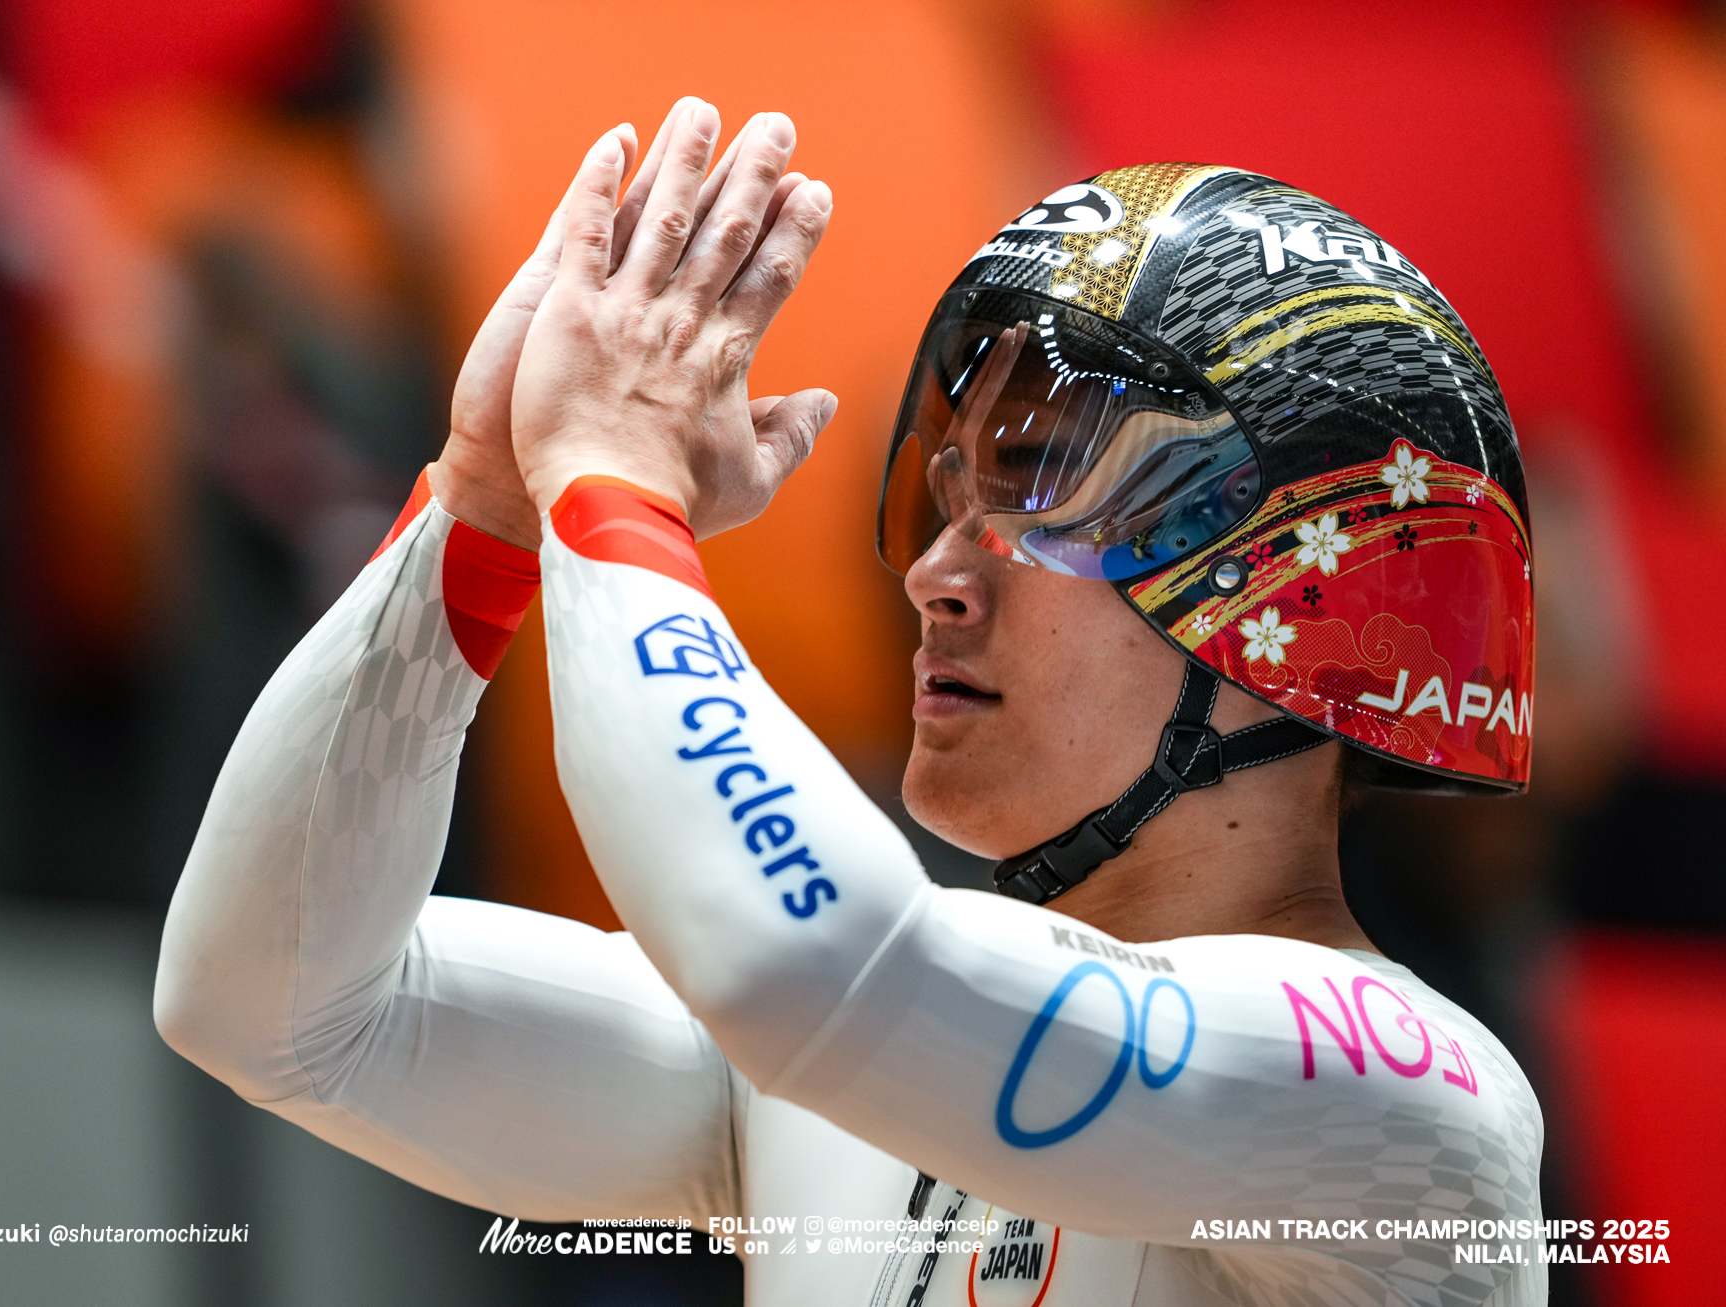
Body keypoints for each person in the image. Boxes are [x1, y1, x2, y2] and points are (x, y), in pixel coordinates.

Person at [156, 98, 1545, 1306]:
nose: (938, 574)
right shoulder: (844, 1052)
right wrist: (485, 509)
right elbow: (267, 1004)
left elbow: (811, 963)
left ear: (1293, 596)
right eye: (946, 501)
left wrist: (612, 484)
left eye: (1041, 488)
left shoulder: (1420, 1108)